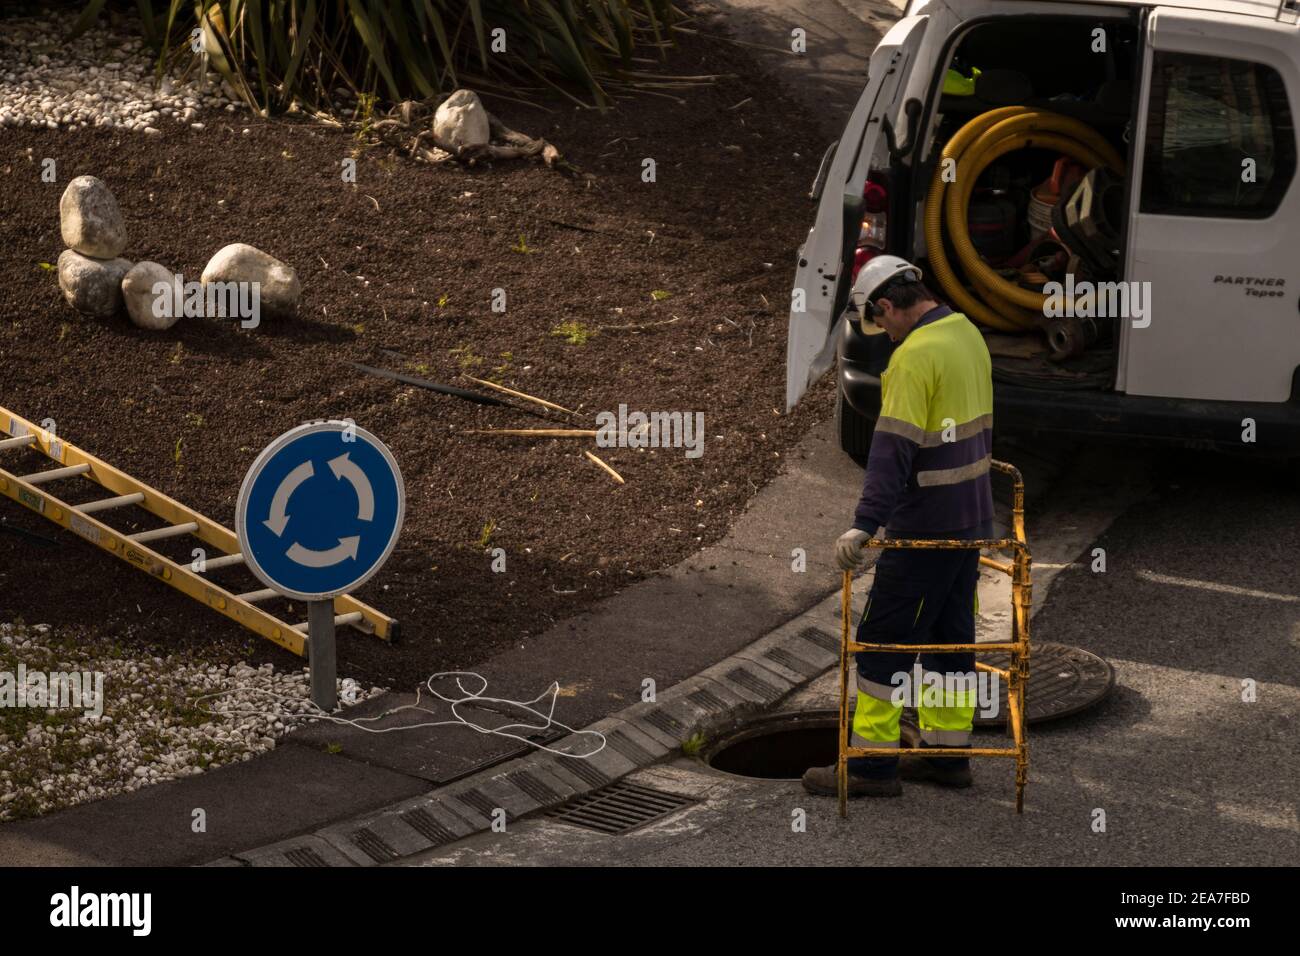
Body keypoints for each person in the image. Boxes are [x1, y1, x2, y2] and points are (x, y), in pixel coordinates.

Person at [802, 256, 995, 799]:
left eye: (880, 322)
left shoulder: (913, 359)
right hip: (972, 519)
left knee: (881, 647)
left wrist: (864, 525)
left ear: (887, 305)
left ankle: (870, 768)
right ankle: (947, 755)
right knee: (949, 639)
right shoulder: (967, 334)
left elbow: (892, 453)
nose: (883, 333)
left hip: (925, 530)